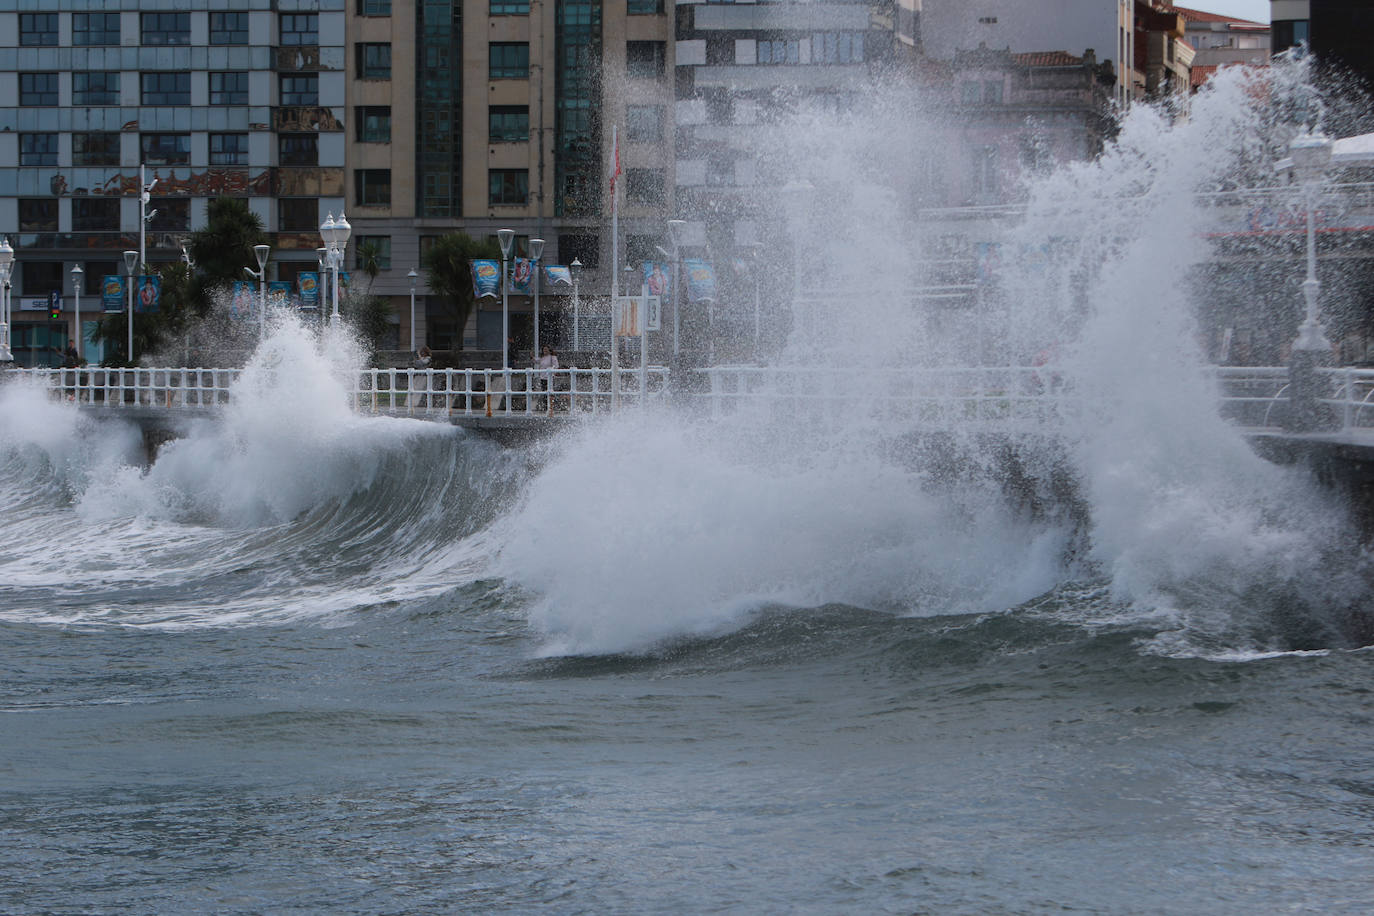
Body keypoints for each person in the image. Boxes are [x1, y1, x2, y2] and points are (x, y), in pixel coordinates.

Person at [536, 345, 559, 410]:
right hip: (542, 377)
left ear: (549, 350)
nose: (545, 351)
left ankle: (552, 406)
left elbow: (556, 366)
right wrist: (531, 357)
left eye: (546, 349)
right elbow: (536, 361)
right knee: (544, 392)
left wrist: (552, 372)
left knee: (550, 392)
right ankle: (546, 406)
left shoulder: (552, 357)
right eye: (544, 349)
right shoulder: (542, 358)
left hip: (550, 377)